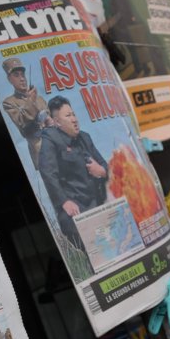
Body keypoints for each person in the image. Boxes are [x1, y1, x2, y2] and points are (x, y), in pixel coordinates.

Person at [37, 96, 107, 254]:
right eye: (68, 116)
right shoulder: (50, 138)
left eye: (74, 114)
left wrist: (101, 171)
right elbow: (47, 172)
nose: (74, 119)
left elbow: (104, 164)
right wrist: (64, 201)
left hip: (97, 203)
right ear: (57, 122)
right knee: (95, 251)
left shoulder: (85, 137)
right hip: (75, 208)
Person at [0, 57, 51, 166]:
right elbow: (21, 122)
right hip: (40, 151)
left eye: (22, 74)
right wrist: (30, 101)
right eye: (16, 75)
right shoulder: (9, 102)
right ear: (9, 79)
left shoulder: (40, 98)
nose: (22, 78)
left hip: (56, 146)